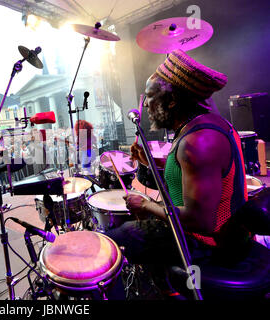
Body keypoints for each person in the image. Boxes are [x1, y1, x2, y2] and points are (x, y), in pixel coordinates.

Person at [105, 49, 248, 297]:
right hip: (204, 234)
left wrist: (146, 205)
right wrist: (152, 166)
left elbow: (202, 221)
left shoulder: (199, 142)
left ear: (171, 101)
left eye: (150, 96)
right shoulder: (202, 126)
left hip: (209, 245)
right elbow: (190, 182)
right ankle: (167, 286)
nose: (146, 104)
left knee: (108, 246)